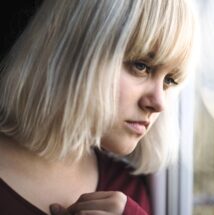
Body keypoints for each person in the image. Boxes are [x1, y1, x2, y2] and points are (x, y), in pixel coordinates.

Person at [0, 0, 197, 214]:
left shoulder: (132, 189)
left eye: (170, 80)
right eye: (141, 66)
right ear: (74, 48)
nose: (159, 103)